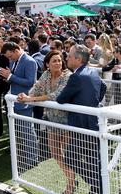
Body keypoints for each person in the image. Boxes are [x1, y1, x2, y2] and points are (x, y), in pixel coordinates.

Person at [17, 50, 74, 193]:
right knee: (55, 153)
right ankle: (71, 178)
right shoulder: (46, 75)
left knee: (67, 155)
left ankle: (71, 184)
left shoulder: (68, 76)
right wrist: (26, 95)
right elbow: (36, 89)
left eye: (59, 60)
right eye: (54, 61)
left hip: (68, 121)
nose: (58, 63)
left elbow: (56, 95)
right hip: (51, 120)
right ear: (47, 64)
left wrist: (31, 99)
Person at [56, 45, 107, 194]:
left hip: (81, 125)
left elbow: (61, 99)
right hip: (92, 122)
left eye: (69, 56)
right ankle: (98, 187)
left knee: (71, 159)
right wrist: (92, 102)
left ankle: (99, 185)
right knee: (92, 160)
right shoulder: (92, 72)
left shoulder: (76, 76)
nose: (66, 58)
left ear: (78, 59)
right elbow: (102, 87)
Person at [0, 41, 38, 170]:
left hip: (24, 103)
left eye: (10, 56)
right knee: (19, 132)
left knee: (27, 132)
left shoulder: (29, 61)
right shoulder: (15, 60)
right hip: (14, 101)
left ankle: (32, 159)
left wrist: (10, 76)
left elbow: (30, 82)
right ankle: (23, 156)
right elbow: (16, 78)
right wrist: (8, 77)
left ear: (16, 50)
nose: (9, 59)